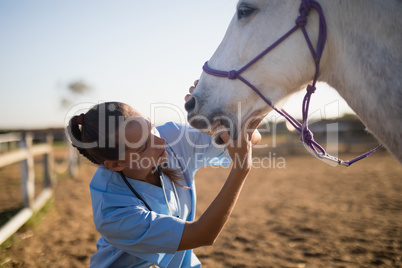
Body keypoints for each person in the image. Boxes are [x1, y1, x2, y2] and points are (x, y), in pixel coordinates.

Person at [66, 82, 263, 268]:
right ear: (116, 164)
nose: (161, 142)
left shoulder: (170, 135)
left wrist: (219, 116)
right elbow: (202, 235)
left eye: (151, 127)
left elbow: (250, 138)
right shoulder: (112, 212)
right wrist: (241, 169)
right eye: (144, 146)